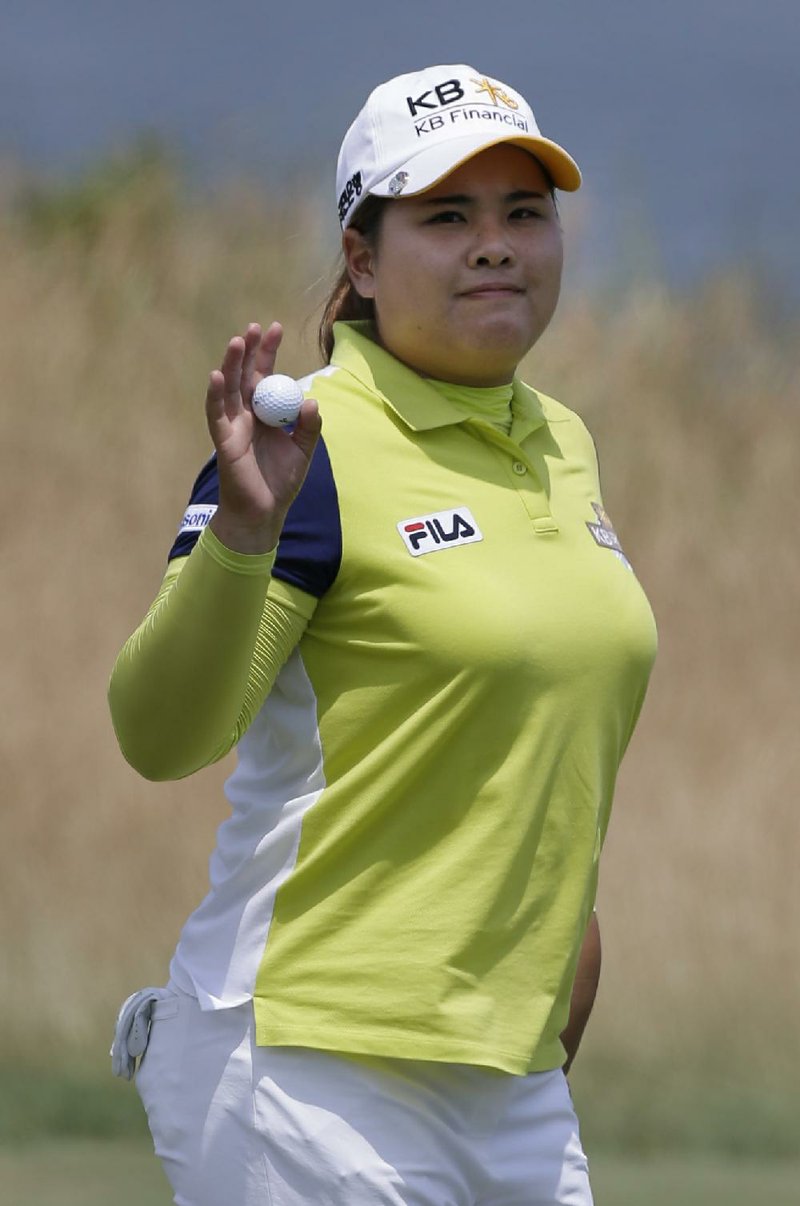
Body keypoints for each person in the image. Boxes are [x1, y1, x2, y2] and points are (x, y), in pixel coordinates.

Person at [109, 64, 657, 1206]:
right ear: (361, 260)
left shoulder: (560, 441)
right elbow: (159, 732)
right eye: (446, 216)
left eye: (523, 213)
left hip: (504, 1074)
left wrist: (558, 934)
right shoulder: (305, 442)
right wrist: (242, 539)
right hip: (308, 1060)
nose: (495, 245)